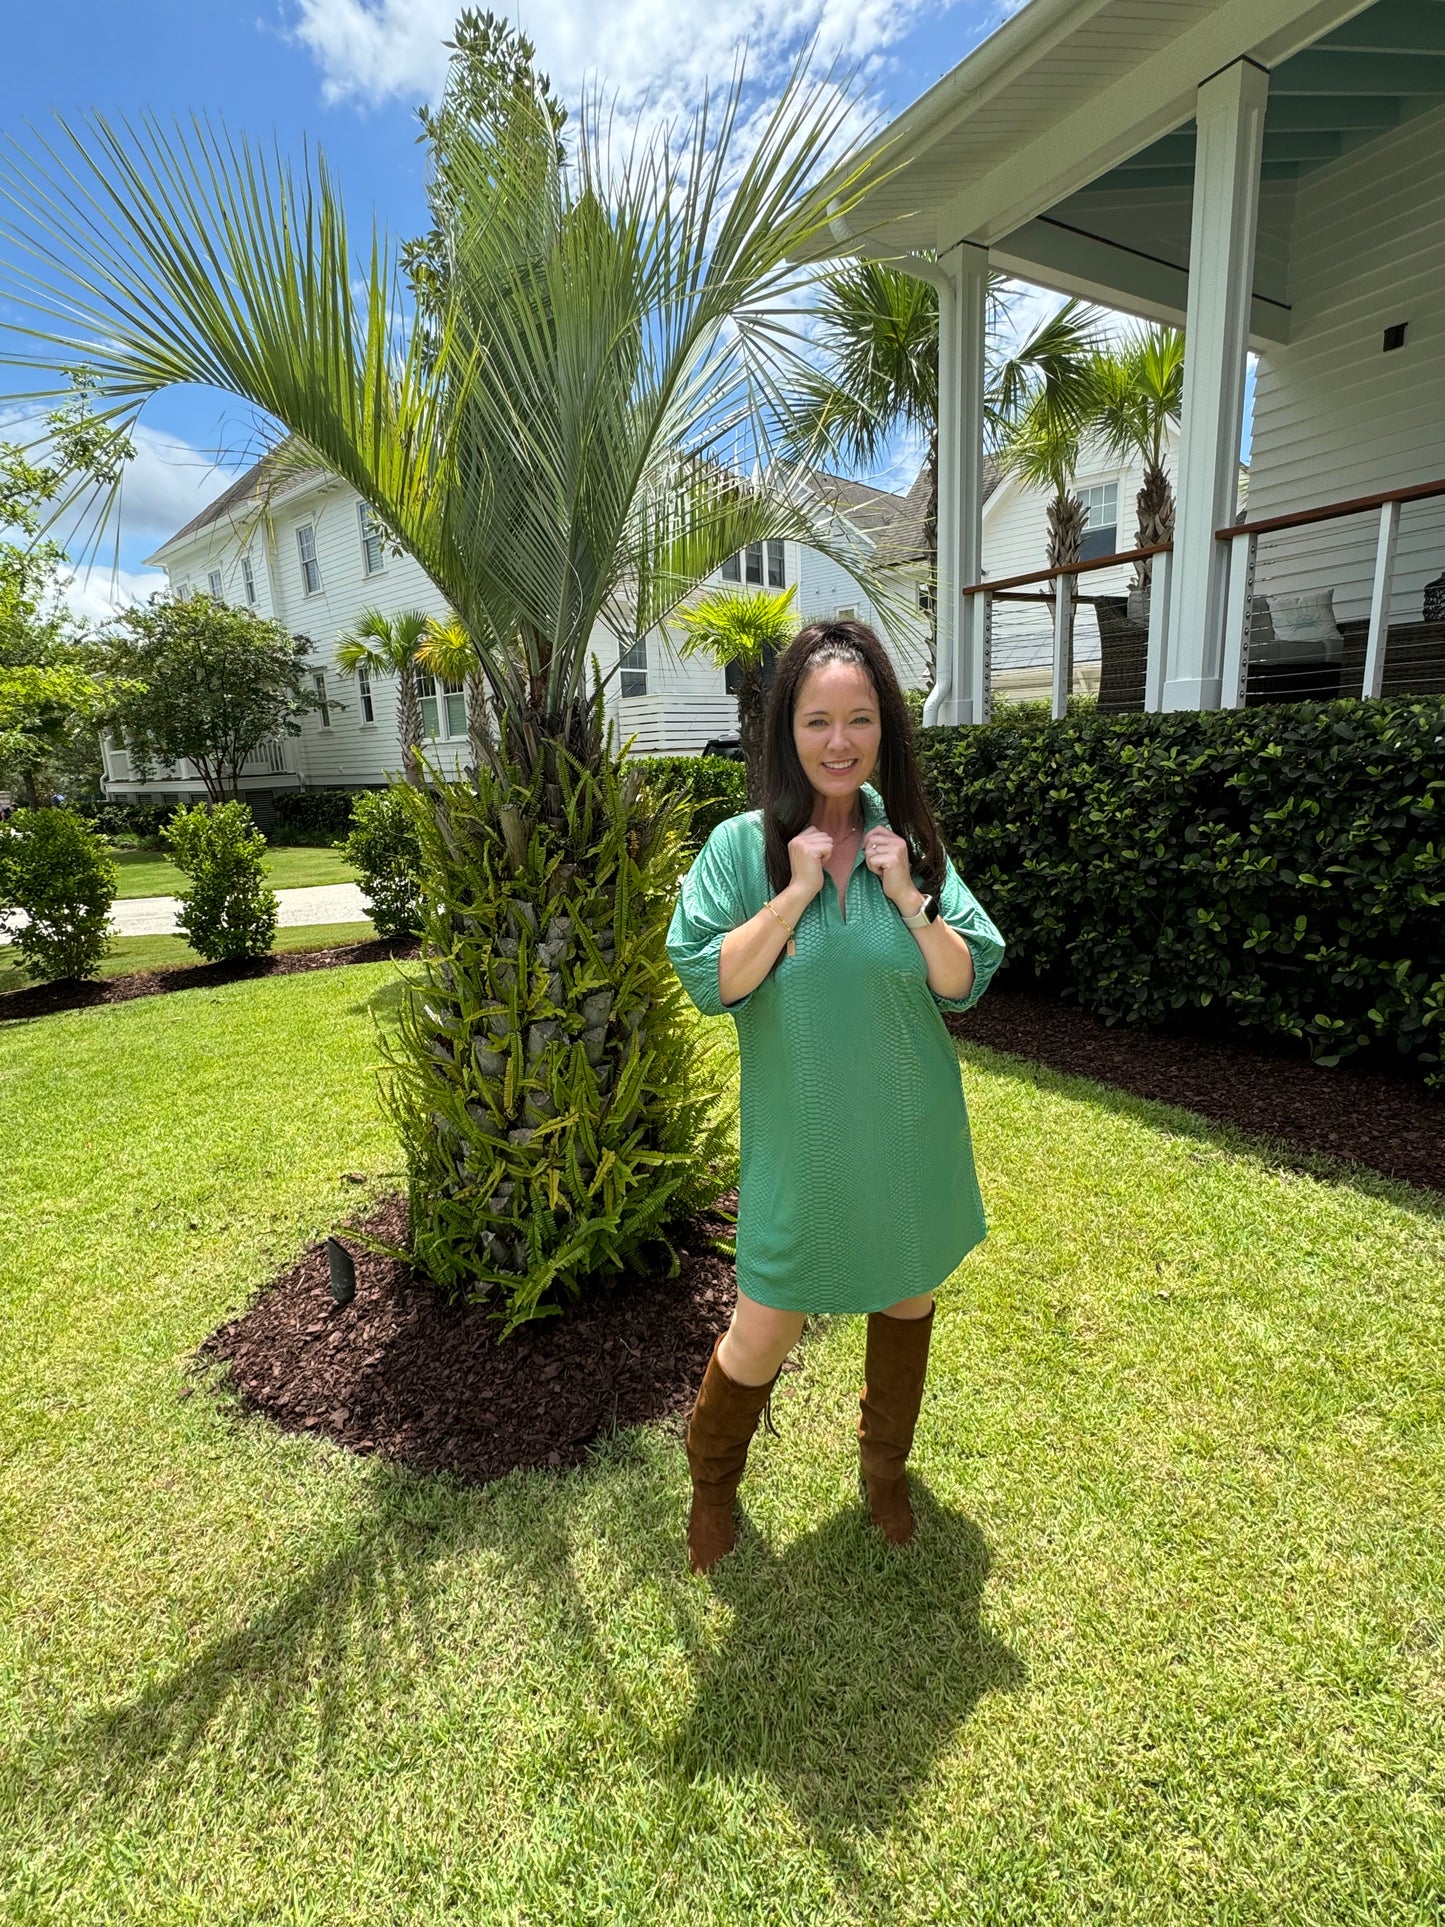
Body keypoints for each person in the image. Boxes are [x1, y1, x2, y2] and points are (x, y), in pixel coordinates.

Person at [666, 619, 1005, 1574]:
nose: (839, 741)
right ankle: (712, 1482)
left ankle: (883, 1471)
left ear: (885, 729)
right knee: (762, 1322)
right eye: (818, 720)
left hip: (907, 1132)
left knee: (906, 1296)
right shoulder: (743, 847)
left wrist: (908, 899)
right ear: (787, 730)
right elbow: (710, 977)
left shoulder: (913, 845)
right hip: (802, 1141)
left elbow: (960, 979)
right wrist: (796, 892)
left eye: (860, 719)